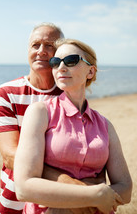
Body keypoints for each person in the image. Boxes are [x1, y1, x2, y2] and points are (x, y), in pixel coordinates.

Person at [0, 23, 103, 214]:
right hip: (15, 201)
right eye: (35, 45)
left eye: (49, 46)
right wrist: (76, 189)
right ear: (28, 50)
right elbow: (10, 156)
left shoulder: (69, 90)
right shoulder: (6, 93)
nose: (41, 51)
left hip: (60, 204)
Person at [14, 38, 132, 214]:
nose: (61, 67)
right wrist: (93, 194)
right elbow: (24, 187)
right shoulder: (40, 112)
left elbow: (126, 189)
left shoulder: (105, 125)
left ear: (90, 71)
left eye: (71, 61)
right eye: (55, 62)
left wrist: (94, 196)